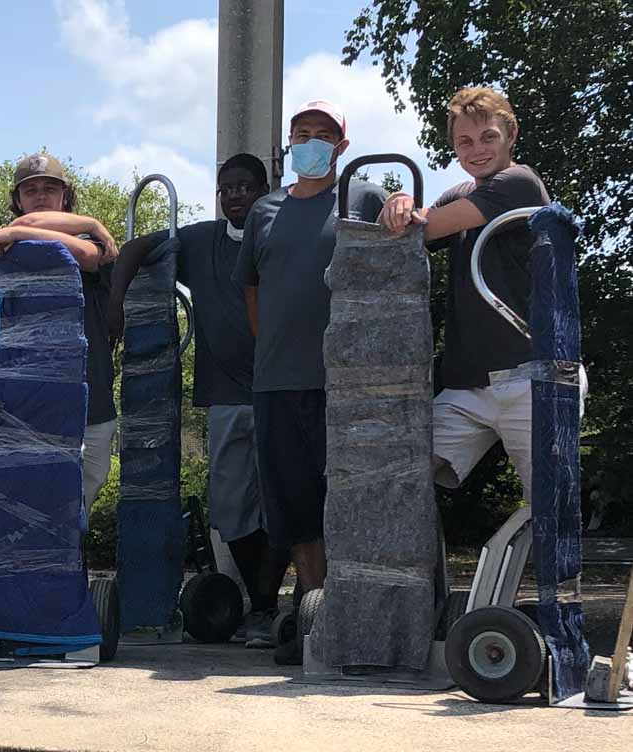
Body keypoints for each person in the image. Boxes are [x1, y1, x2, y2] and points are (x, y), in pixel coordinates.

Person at [110, 153, 290, 647]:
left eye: (245, 187)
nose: (234, 196)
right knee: (231, 511)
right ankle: (264, 603)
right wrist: (114, 308)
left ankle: (269, 608)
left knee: (284, 506)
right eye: (225, 188)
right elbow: (135, 249)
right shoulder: (201, 239)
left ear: (266, 187)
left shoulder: (286, 230)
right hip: (228, 396)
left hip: (287, 391)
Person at [233, 101, 387, 652]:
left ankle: (360, 614)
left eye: (324, 134)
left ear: (342, 146)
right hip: (277, 380)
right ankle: (315, 616)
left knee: (349, 498)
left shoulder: (361, 195)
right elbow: (251, 288)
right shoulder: (264, 211)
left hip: (348, 381)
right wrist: (276, 345)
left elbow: (401, 231)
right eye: (303, 134)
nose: (313, 142)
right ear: (289, 143)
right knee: (295, 506)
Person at [376, 86, 574, 505]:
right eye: (464, 141)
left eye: (488, 137)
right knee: (397, 476)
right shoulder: (460, 195)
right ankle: (413, 571)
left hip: (532, 376)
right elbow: (402, 234)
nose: (477, 149)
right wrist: (398, 200)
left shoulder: (520, 183)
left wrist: (408, 217)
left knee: (551, 510)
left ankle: (562, 574)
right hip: (468, 389)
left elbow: (423, 228)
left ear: (512, 134)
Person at [0, 153, 117, 505]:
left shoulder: (90, 238)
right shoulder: (0, 246)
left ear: (65, 196)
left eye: (49, 188)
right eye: (31, 190)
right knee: (32, 512)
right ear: (17, 200)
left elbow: (86, 256)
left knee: (78, 509)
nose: (40, 196)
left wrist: (19, 230)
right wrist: (15, 233)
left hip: (91, 401)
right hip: (23, 404)